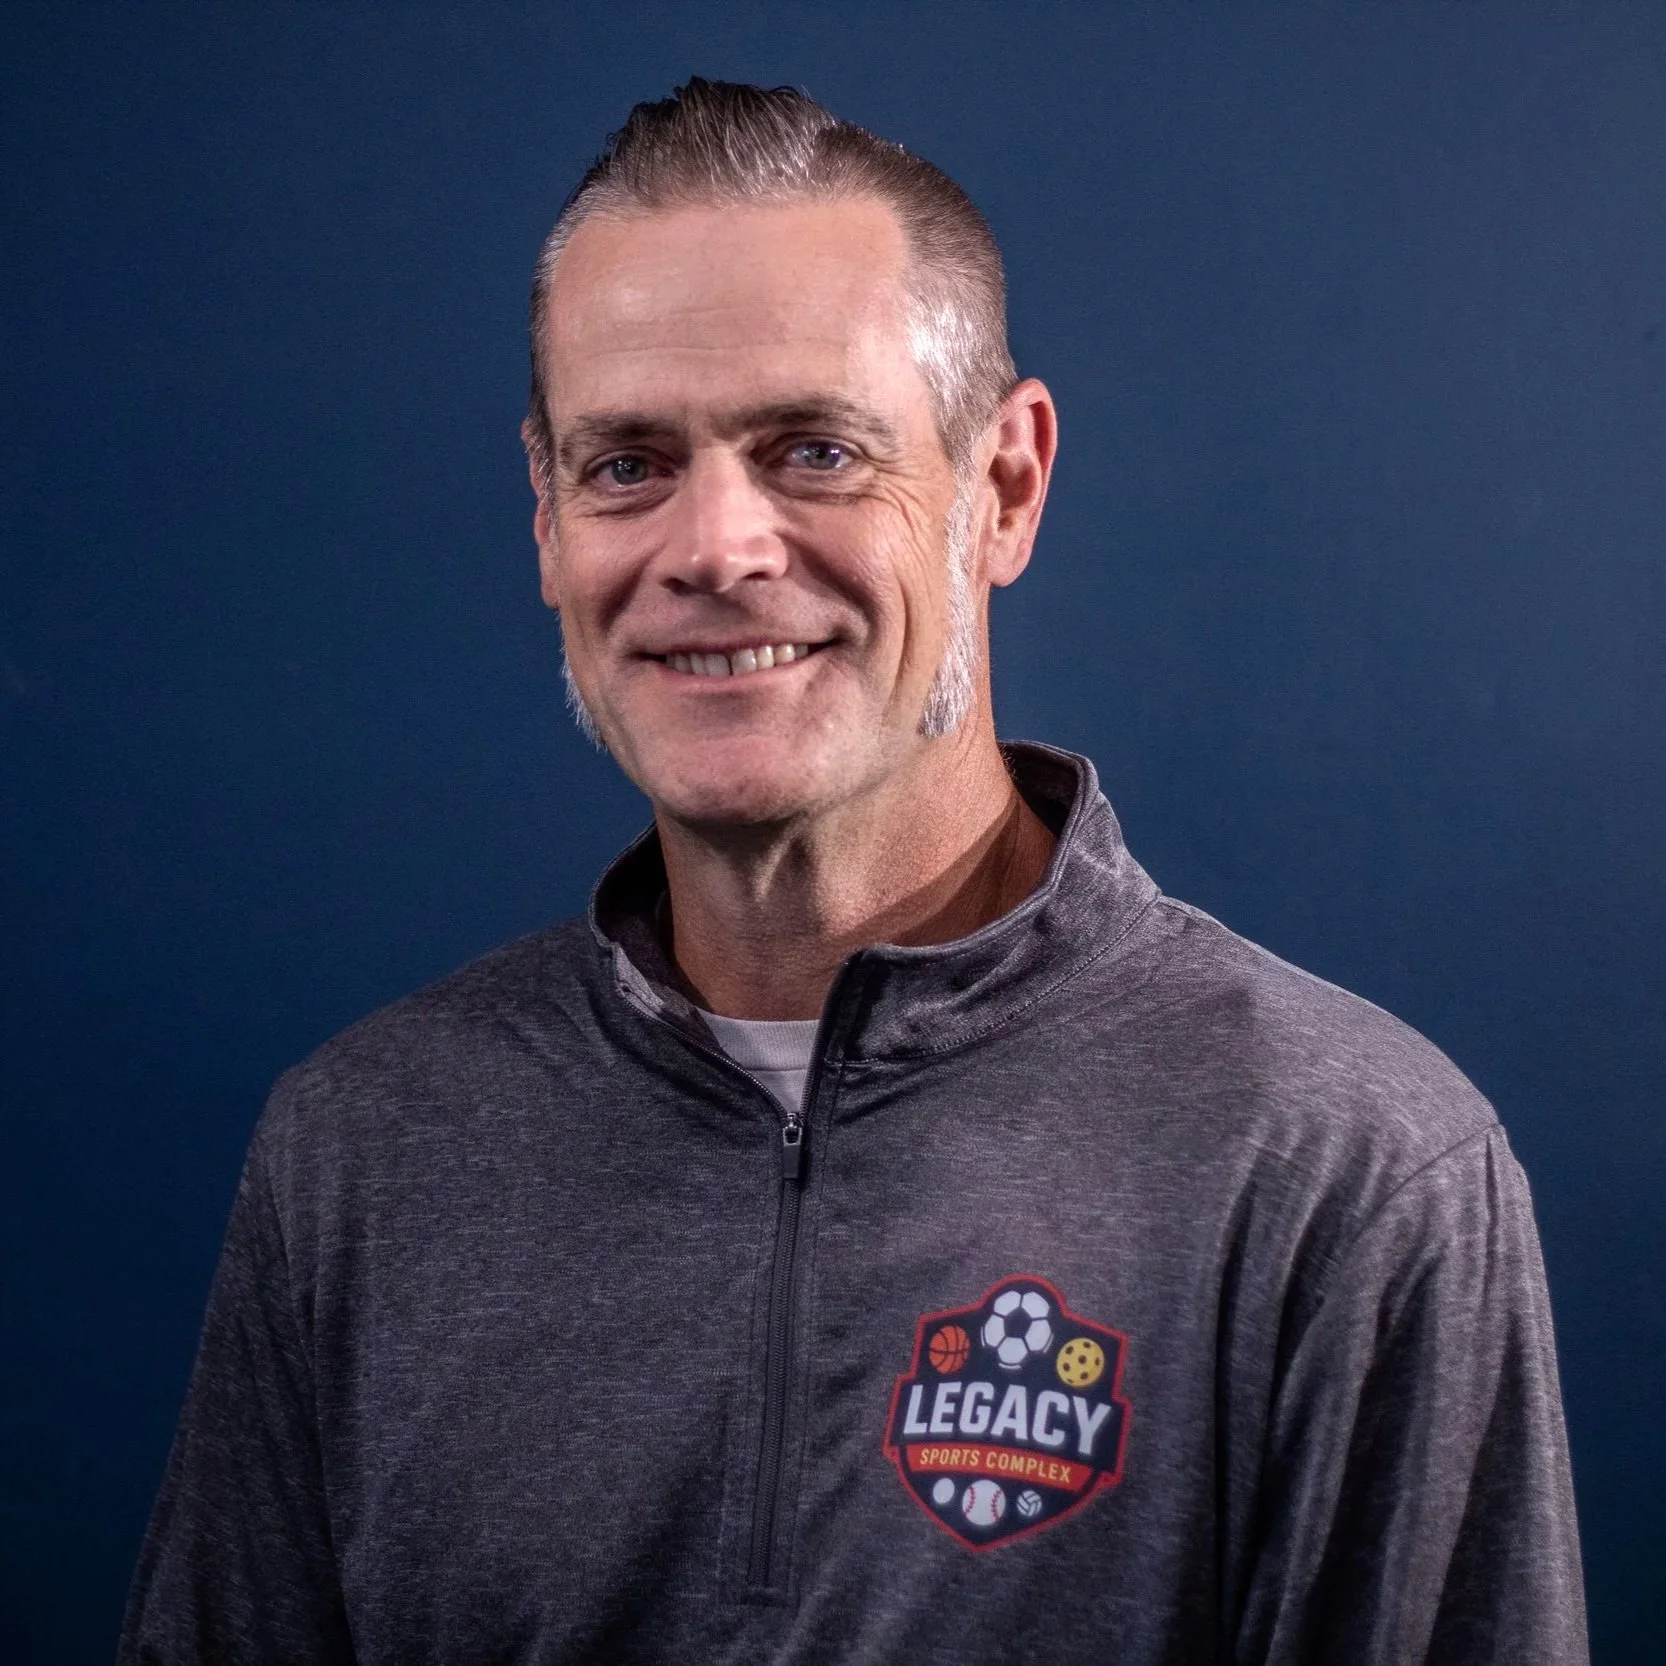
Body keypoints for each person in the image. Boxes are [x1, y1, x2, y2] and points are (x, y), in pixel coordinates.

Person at [120, 79, 1587, 1664]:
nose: (713, 547)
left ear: (1002, 488)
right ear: (544, 516)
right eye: (626, 465)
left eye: (813, 450)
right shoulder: (362, 1153)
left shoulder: (1342, 1168)